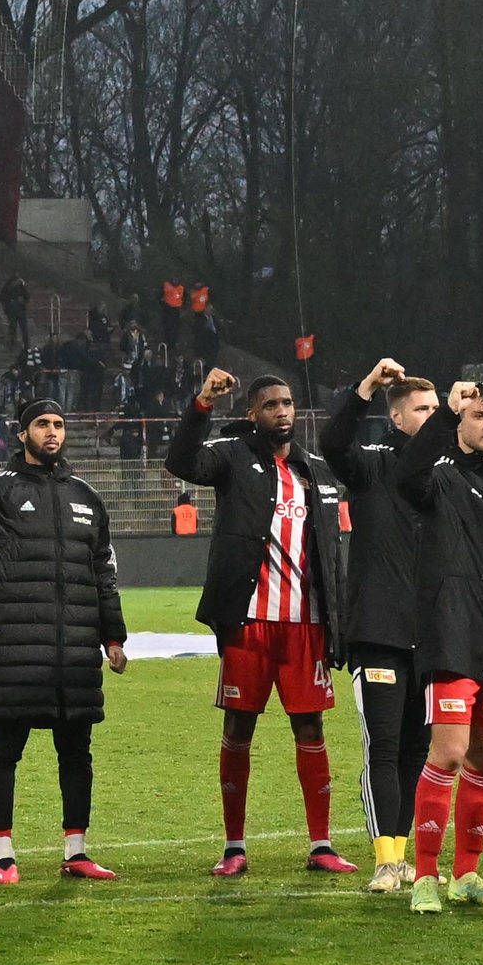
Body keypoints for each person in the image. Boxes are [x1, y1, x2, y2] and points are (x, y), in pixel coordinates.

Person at [166, 366, 354, 878]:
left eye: (288, 402)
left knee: (310, 725)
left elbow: (330, 552)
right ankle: (234, 846)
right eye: (271, 404)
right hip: (249, 621)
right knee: (239, 725)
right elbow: (181, 461)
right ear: (253, 414)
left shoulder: (317, 471)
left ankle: (321, 844)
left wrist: (338, 621)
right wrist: (202, 403)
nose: (282, 411)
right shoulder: (232, 456)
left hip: (306, 624)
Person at [0, 399, 125, 882]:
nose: (52, 431)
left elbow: (103, 571)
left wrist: (113, 636)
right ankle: (3, 856)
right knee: (5, 752)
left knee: (77, 754)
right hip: (11, 652)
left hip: (74, 654)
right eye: (42, 424)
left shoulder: (86, 496)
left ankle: (77, 851)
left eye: (59, 424)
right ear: (22, 433)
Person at [388, 379, 483, 914]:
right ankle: (425, 876)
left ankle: (467, 874)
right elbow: (406, 475)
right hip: (450, 637)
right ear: (460, 423)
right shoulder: (439, 477)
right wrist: (446, 416)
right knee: (448, 754)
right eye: (479, 416)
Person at [326, 362, 440, 891]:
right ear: (395, 418)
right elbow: (333, 443)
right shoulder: (372, 464)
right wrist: (365, 388)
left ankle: (403, 854)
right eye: (422, 409)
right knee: (385, 747)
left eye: (437, 409)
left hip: (432, 638)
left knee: (418, 751)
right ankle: (385, 860)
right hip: (378, 633)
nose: (433, 416)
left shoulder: (444, 475)